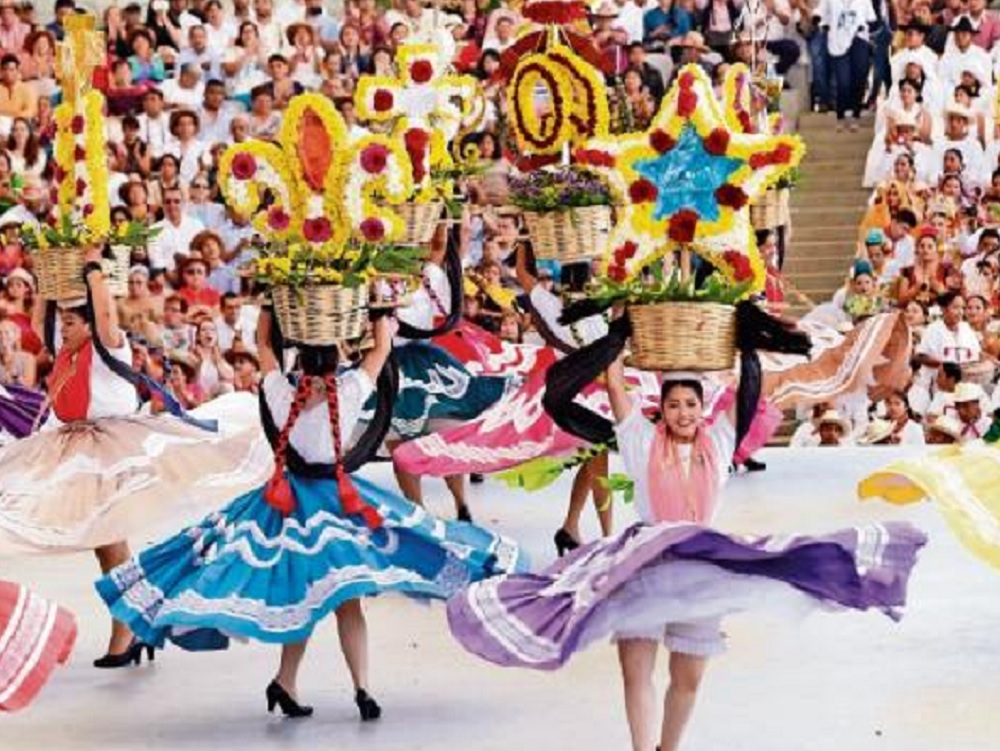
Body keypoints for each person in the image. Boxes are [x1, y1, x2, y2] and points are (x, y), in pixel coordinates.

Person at [449, 356, 926, 751]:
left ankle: (667, 749)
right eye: (673, 405)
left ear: (702, 410)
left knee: (688, 677)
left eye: (690, 405)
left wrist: (742, 342)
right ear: (661, 409)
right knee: (636, 672)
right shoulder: (640, 441)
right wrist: (619, 335)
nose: (682, 412)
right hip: (643, 565)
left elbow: (747, 392)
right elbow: (616, 386)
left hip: (700, 568)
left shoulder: (718, 443)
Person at [97, 308, 524, 719]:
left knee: (304, 598)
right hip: (336, 505)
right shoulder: (352, 388)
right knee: (340, 601)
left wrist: (268, 303)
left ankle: (295, 682)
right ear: (336, 355)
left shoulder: (281, 390)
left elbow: (264, 342)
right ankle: (355, 688)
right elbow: (381, 349)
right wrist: (377, 308)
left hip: (285, 504)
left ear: (298, 354)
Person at [0, 249, 267, 666]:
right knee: (104, 542)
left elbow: (105, 313)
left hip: (108, 451)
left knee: (108, 543)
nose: (63, 328)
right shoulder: (68, 347)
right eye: (65, 322)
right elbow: (39, 322)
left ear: (90, 324)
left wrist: (92, 270)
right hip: (71, 449)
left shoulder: (110, 346)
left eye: (72, 322)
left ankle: (129, 628)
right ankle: (137, 620)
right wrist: (47, 284)